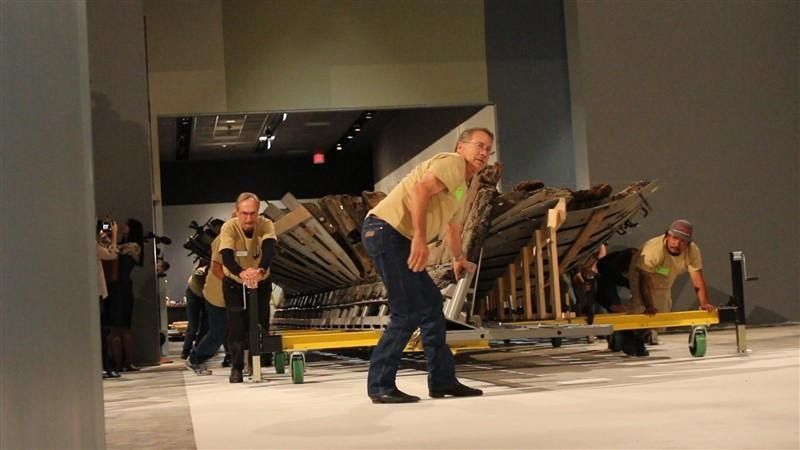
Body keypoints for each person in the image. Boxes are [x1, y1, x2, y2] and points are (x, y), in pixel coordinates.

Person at [360, 127, 492, 404]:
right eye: (478, 145)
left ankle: (443, 381)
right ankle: (380, 385)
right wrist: (419, 238)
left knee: (431, 305)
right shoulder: (453, 163)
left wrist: (458, 258)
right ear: (461, 147)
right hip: (387, 231)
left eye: (488, 149)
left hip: (392, 234)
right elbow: (419, 192)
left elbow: (453, 225)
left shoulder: (462, 184)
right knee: (406, 311)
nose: (483, 153)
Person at [598, 219, 714, 356]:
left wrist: (704, 303)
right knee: (641, 309)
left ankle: (636, 333)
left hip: (664, 273)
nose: (677, 244)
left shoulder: (692, 251)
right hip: (641, 272)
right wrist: (648, 305)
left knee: (661, 315)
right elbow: (643, 280)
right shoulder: (653, 250)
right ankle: (630, 335)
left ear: (688, 243)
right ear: (667, 236)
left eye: (682, 241)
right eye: (674, 238)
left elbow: (697, 278)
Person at [217, 193, 277, 383]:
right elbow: (226, 256)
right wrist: (242, 273)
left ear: (258, 212)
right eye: (244, 213)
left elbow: (269, 250)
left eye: (253, 213)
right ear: (237, 212)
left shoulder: (266, 224)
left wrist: (259, 270)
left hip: (261, 280)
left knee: (260, 323)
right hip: (235, 282)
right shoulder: (229, 227)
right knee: (236, 326)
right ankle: (236, 367)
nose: (249, 218)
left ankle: (256, 363)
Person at [185, 234, 230, 375]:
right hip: (215, 296)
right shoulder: (223, 240)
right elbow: (217, 268)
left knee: (221, 331)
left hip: (220, 295)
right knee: (217, 332)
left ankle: (197, 358)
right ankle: (194, 358)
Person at [104, 218, 144, 372]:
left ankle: (123, 362)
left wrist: (110, 235)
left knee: (120, 328)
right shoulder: (129, 246)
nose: (122, 226)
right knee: (119, 328)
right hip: (121, 287)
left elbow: (114, 251)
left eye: (126, 225)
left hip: (119, 288)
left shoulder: (133, 246)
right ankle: (123, 362)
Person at [97, 220, 120, 379]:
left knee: (103, 331)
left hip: (97, 292)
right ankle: (105, 366)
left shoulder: (94, 244)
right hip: (97, 292)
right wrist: (115, 234)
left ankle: (106, 365)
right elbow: (112, 254)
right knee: (102, 332)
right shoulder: (92, 245)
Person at [181, 262, 209, 360]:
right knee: (193, 325)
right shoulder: (200, 273)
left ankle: (198, 349)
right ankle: (186, 349)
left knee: (205, 324)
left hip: (205, 294)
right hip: (194, 293)